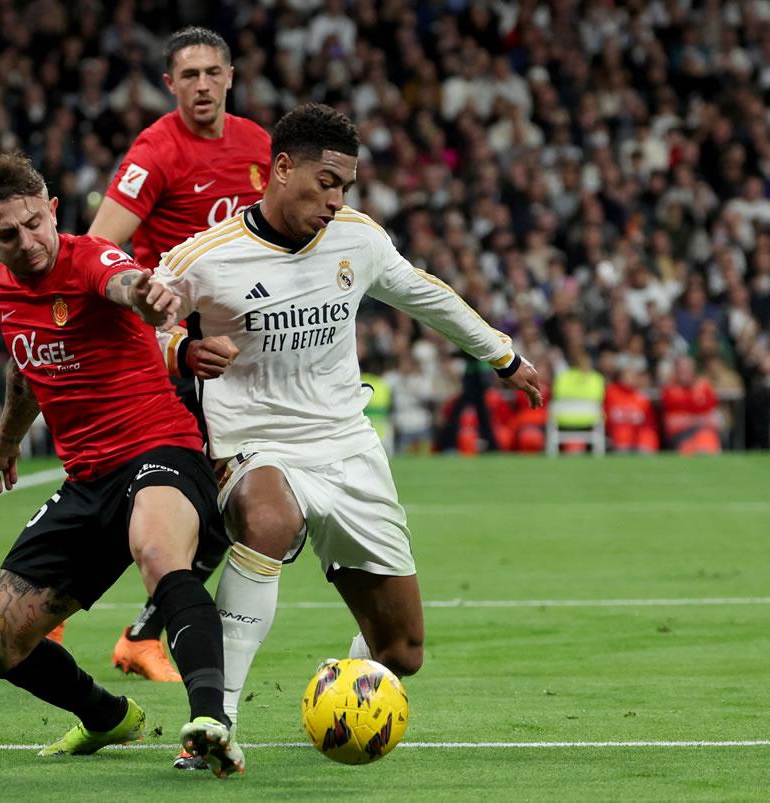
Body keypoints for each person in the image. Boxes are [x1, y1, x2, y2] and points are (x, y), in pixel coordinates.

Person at [154, 104, 543, 769]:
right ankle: (213, 723)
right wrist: (179, 354)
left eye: (347, 188)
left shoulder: (358, 240)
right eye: (327, 182)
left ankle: (344, 691)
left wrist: (502, 355)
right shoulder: (207, 257)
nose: (336, 201)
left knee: (402, 651)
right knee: (269, 520)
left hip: (348, 446)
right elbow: (143, 320)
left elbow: (425, 294)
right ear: (281, 168)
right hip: (256, 444)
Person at [0, 150, 243, 778]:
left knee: (156, 551)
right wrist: (6, 441)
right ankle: (107, 716)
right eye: (8, 234)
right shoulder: (1, 289)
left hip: (160, 449)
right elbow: (25, 368)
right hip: (87, 480)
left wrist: (147, 294)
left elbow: (124, 283)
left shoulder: (90, 256)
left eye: (36, 222)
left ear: (52, 209)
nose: (29, 241)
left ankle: (210, 724)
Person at [88, 25, 271, 685]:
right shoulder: (155, 150)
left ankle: (136, 630)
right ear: (170, 84)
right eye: (187, 75)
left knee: (225, 505)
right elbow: (100, 247)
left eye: (210, 72)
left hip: (244, 354)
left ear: (229, 76)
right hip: (182, 354)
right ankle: (75, 606)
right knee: (199, 499)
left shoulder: (259, 147)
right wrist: (166, 329)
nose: (201, 85)